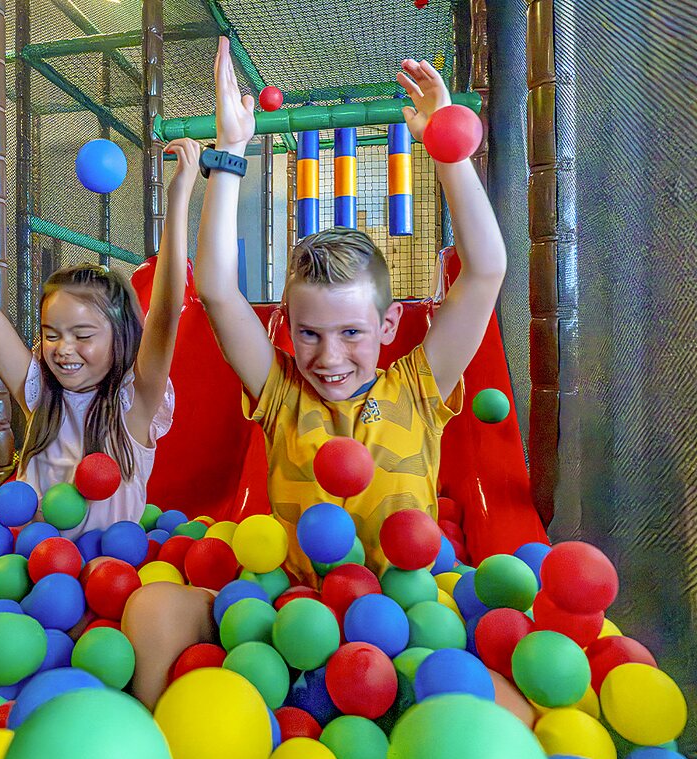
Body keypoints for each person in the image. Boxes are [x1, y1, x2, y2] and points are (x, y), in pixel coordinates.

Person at [122, 37, 507, 709]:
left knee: (499, 699)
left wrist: (448, 152)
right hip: (291, 616)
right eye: (309, 334)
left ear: (388, 326)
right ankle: (151, 745)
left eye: (351, 333)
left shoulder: (419, 387)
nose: (329, 358)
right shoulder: (280, 395)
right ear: (286, 328)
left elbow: (485, 272)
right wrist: (230, 151)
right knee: (151, 606)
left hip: (404, 621)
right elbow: (216, 291)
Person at [0, 136, 202, 536]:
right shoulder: (39, 393)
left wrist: (179, 197)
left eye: (83, 335)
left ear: (120, 337)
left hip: (112, 566)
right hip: (31, 562)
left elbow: (167, 313)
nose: (64, 350)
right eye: (52, 334)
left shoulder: (133, 403)